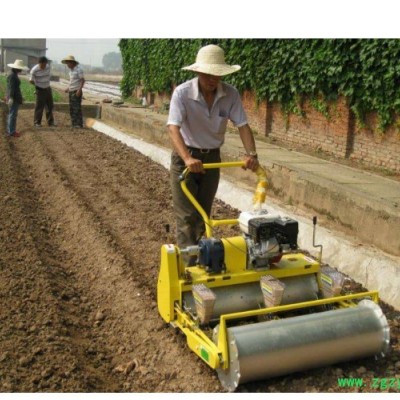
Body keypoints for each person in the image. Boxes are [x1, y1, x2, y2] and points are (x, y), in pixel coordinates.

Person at [167, 44, 259, 250]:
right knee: (187, 217)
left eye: (217, 74)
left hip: (212, 159)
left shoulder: (230, 94)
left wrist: (251, 154)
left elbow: (243, 126)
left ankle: (203, 258)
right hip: (185, 158)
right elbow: (173, 128)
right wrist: (188, 159)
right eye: (208, 74)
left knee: (203, 215)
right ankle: (188, 266)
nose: (212, 79)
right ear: (199, 71)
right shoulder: (182, 93)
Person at [29, 56, 55, 127]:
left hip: (48, 88)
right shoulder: (34, 70)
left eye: (44, 64)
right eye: (42, 65)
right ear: (39, 63)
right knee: (39, 107)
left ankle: (50, 122)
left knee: (49, 106)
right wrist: (37, 85)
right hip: (40, 90)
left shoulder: (48, 67)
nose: (43, 66)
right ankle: (37, 122)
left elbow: (49, 76)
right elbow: (31, 80)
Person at [5, 59, 29, 137]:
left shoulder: (13, 74)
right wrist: (11, 98)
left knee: (12, 114)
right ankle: (12, 132)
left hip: (15, 97)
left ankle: (11, 130)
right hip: (14, 98)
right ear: (17, 68)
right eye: (20, 68)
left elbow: (13, 88)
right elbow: (12, 88)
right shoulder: (12, 76)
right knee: (13, 115)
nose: (21, 69)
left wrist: (20, 96)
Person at [61, 55, 85, 128]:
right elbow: (72, 82)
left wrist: (79, 90)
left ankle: (78, 124)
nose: (67, 65)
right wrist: (68, 88)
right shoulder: (71, 71)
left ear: (72, 62)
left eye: (68, 63)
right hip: (71, 91)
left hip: (76, 91)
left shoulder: (78, 69)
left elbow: (82, 80)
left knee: (76, 108)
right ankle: (74, 123)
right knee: (72, 108)